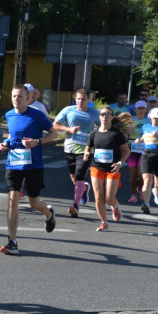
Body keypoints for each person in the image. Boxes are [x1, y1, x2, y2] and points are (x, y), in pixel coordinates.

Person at [0, 85, 59, 255]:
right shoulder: (9, 115)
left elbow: (54, 134)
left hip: (34, 165)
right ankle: (12, 242)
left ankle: (49, 214)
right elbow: (13, 135)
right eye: (13, 96)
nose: (16, 99)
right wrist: (5, 143)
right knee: (12, 200)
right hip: (13, 163)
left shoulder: (37, 115)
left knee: (34, 203)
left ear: (27, 98)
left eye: (19, 96)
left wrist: (37, 142)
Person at [52, 88, 99, 217]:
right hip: (70, 148)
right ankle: (83, 188)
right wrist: (69, 129)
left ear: (88, 100)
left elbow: (103, 127)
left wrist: (96, 136)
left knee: (79, 175)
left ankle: (76, 205)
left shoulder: (94, 113)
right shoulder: (68, 110)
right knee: (74, 177)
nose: (80, 102)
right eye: (78, 99)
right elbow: (55, 125)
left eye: (83, 99)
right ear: (75, 99)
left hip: (86, 149)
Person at [83, 108, 131, 231]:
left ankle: (114, 205)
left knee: (109, 199)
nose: (105, 116)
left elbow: (126, 151)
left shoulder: (116, 134)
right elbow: (88, 148)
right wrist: (86, 153)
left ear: (111, 117)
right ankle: (104, 222)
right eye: (102, 114)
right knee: (99, 197)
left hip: (112, 168)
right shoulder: (94, 133)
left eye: (108, 114)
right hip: (97, 167)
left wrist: (120, 163)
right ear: (99, 117)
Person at [126, 101, 150, 203]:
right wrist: (128, 132)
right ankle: (133, 193)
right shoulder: (130, 120)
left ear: (146, 110)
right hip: (132, 149)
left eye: (143, 108)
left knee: (140, 174)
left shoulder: (149, 121)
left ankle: (140, 188)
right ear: (135, 109)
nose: (141, 110)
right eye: (139, 108)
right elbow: (123, 134)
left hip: (144, 150)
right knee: (133, 174)